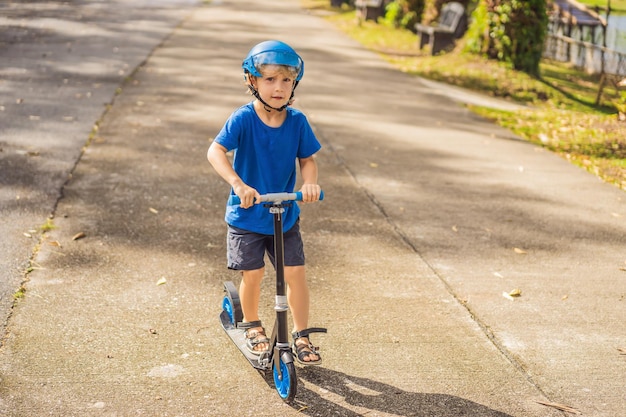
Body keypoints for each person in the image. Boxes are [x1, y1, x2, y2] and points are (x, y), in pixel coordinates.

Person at [207, 40, 324, 365]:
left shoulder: (297, 121)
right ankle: (252, 324)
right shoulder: (243, 119)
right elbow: (215, 151)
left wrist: (310, 183)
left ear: (294, 84)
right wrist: (238, 184)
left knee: (295, 273)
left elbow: (308, 160)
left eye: (286, 80)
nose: (279, 87)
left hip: (284, 213)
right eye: (270, 79)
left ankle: (301, 333)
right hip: (247, 215)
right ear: (252, 81)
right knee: (254, 274)